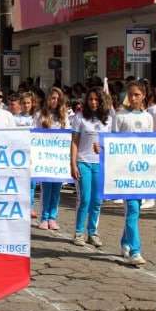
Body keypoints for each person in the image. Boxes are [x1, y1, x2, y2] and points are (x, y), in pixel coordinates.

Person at [113, 81, 153, 266]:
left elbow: (151, 144)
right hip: (124, 171)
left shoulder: (148, 117)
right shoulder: (120, 116)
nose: (133, 98)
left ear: (143, 95)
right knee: (133, 210)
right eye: (131, 94)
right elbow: (112, 142)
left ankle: (125, 242)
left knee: (134, 211)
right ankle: (135, 251)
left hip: (141, 171)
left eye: (137, 94)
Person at [70, 87, 110, 247]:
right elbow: (74, 142)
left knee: (97, 200)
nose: (93, 102)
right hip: (83, 162)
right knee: (85, 198)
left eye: (96, 100)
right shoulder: (79, 118)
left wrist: (103, 148)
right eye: (90, 99)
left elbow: (111, 142)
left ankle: (92, 232)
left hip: (100, 164)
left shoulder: (108, 119)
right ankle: (79, 233)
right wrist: (73, 163)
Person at [36, 87, 69, 231]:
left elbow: (68, 134)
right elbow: (34, 135)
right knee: (46, 189)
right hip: (45, 158)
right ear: (47, 99)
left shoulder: (64, 116)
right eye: (52, 98)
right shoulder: (40, 115)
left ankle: (52, 218)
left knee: (56, 189)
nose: (54, 101)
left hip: (59, 159)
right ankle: (44, 217)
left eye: (56, 98)